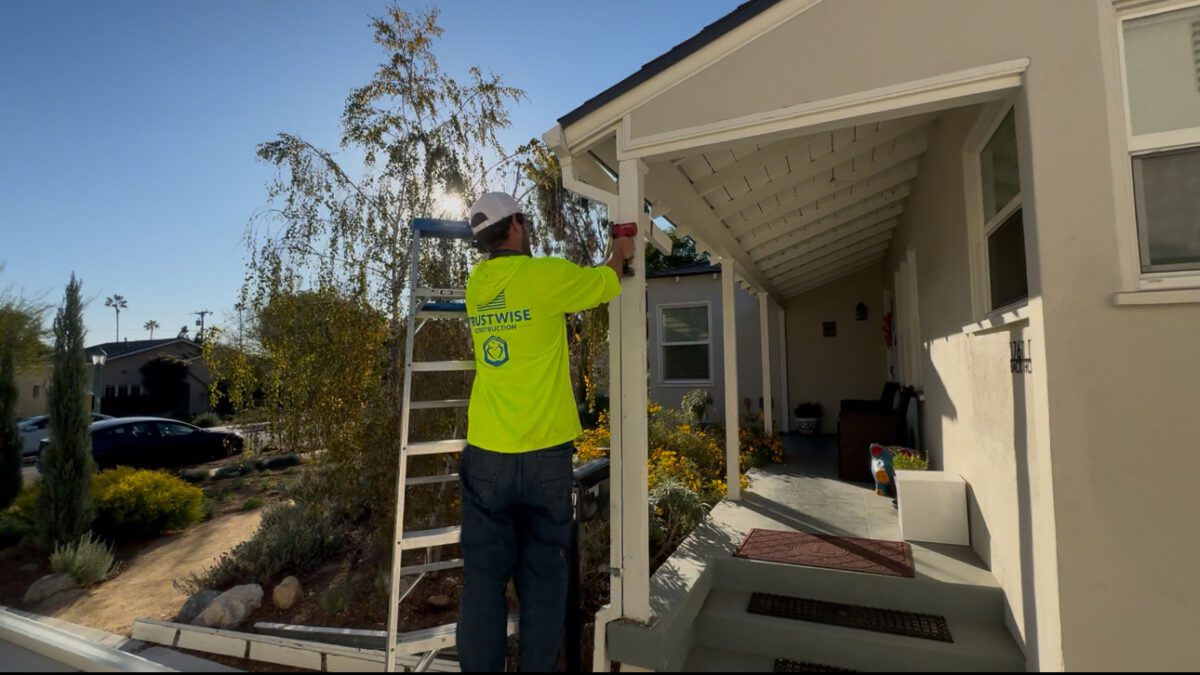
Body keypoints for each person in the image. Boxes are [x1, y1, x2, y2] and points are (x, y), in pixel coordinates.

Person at [458, 192, 635, 672]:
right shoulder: (545, 277)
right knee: (542, 581)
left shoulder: (477, 284)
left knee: (484, 583)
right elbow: (604, 284)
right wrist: (618, 253)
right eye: (525, 221)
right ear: (515, 225)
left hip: (489, 454)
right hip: (544, 459)